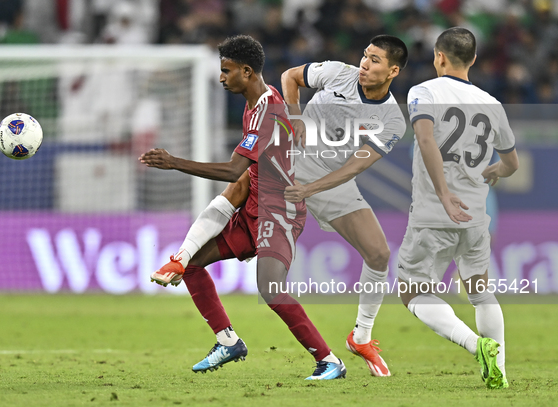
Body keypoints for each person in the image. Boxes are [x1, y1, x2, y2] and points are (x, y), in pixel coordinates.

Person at [141, 35, 347, 380]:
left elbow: (233, 170)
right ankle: (227, 341)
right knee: (190, 266)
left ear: (247, 72)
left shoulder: (267, 111)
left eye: (226, 70)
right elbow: (241, 180)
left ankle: (329, 361)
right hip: (253, 208)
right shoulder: (254, 107)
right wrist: (184, 251)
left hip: (279, 213)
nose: (221, 77)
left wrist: (173, 162)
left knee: (270, 288)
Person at [280, 35, 409, 377]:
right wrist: (295, 119)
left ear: (393, 70)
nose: (365, 64)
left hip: (331, 178)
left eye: (376, 60)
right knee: (240, 193)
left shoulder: (393, 121)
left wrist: (310, 189)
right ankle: (185, 257)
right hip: (292, 160)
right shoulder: (338, 73)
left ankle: (361, 337)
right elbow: (291, 77)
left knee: (379, 254)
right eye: (365, 55)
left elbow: (355, 167)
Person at [398, 27, 519, 389]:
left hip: (434, 212)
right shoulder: (492, 104)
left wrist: (444, 192)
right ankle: (499, 369)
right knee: (481, 291)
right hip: (476, 217)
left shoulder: (423, 91)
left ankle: (474, 344)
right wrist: (496, 170)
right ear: (474, 60)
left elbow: (424, 137)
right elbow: (511, 163)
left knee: (412, 291)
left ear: (439, 57)